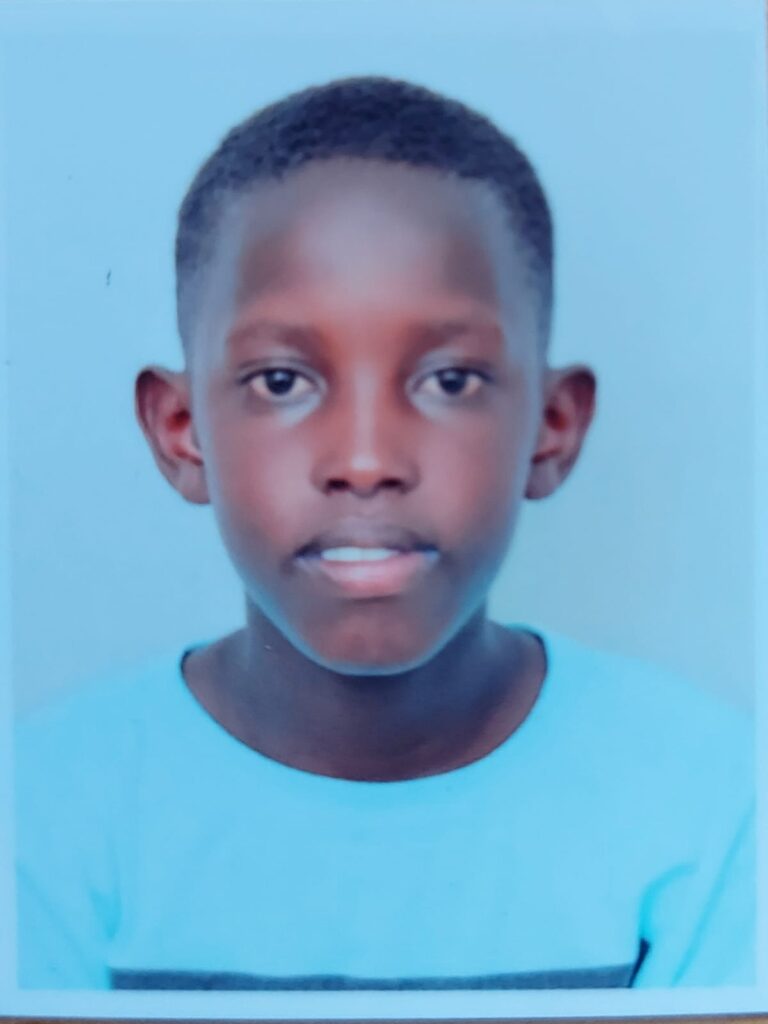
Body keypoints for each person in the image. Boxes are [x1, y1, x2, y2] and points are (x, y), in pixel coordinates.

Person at [14, 76, 754, 991]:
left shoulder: (713, 806)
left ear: (552, 426)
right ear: (181, 431)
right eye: (281, 382)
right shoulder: (40, 816)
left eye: (450, 381)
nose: (365, 461)